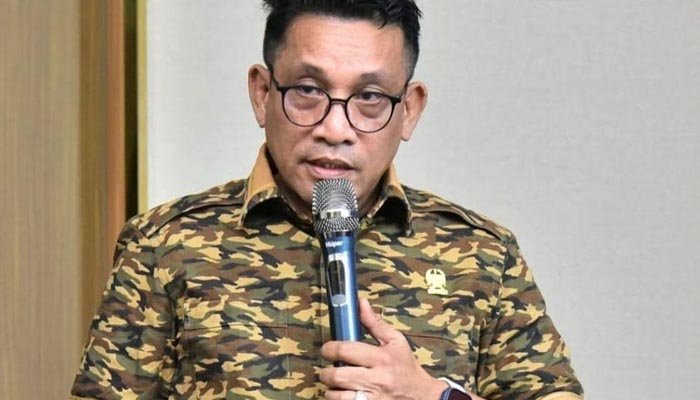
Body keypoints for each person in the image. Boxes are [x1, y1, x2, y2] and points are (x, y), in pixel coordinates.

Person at [71, 1, 583, 399]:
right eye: (309, 90)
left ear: (409, 110)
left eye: (370, 98)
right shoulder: (165, 245)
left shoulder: (482, 255)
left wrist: (432, 396)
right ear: (262, 93)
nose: (335, 129)